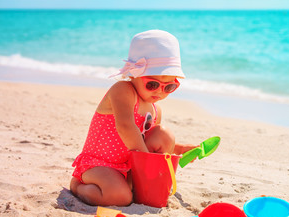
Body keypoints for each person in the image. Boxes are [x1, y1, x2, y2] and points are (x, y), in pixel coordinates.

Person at [70, 30, 197, 206]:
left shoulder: (155, 110)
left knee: (163, 134)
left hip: (129, 168)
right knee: (120, 198)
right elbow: (125, 127)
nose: (160, 91)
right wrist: (147, 165)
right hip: (100, 166)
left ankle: (146, 186)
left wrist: (179, 148)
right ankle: (78, 187)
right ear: (133, 74)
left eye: (169, 87)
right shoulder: (123, 90)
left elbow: (144, 139)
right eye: (152, 84)